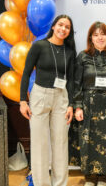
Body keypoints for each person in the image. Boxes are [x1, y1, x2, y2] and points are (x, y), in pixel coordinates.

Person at [19, 14, 76, 186]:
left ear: (69, 31)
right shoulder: (39, 46)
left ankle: (59, 183)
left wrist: (71, 104)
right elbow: (26, 73)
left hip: (61, 97)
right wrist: (23, 100)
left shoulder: (70, 51)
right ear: (53, 26)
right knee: (39, 143)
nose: (63, 29)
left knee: (60, 143)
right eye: (60, 25)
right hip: (39, 96)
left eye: (67, 27)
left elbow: (72, 80)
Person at [69, 22, 106, 186]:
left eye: (103, 34)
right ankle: (89, 176)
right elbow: (76, 83)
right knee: (87, 140)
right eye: (96, 35)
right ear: (90, 38)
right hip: (88, 104)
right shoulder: (83, 56)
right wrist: (77, 106)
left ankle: (104, 176)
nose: (100, 37)